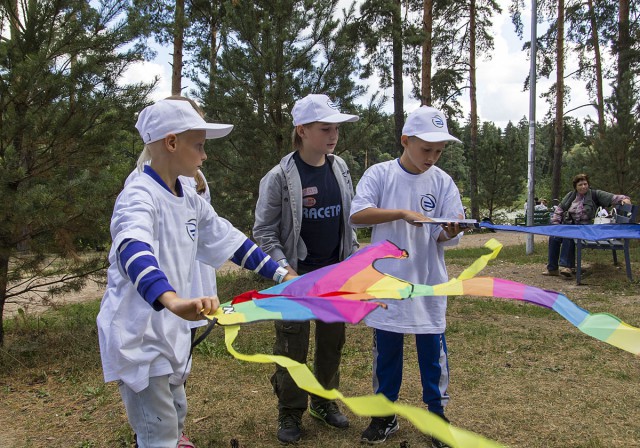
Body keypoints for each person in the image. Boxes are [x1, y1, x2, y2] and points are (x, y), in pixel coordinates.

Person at [97, 99, 292, 448]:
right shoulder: (138, 195)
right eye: (199, 146)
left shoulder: (188, 194)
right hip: (140, 337)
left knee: (175, 412)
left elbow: (228, 238)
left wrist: (280, 275)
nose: (204, 156)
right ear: (171, 143)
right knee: (159, 432)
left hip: (172, 332)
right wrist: (170, 300)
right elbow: (132, 249)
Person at [349, 105, 464, 448]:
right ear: (405, 141)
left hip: (428, 283)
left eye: (439, 151)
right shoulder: (380, 174)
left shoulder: (443, 182)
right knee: (387, 353)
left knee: (432, 353)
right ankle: (385, 416)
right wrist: (401, 213)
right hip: (387, 284)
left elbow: (445, 237)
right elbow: (358, 214)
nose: (432, 157)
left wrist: (449, 230)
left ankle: (436, 416)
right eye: (426, 149)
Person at [253, 93, 359, 444]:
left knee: (332, 343)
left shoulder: (339, 168)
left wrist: (353, 263)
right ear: (301, 130)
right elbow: (264, 232)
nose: (333, 136)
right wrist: (284, 270)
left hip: (334, 277)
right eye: (325, 128)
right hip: (296, 278)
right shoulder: (279, 177)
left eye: (336, 129)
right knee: (291, 347)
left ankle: (324, 403)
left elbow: (348, 223)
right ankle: (290, 411)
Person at [543, 173, 631, 278]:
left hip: (586, 228)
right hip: (570, 225)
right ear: (576, 187)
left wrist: (624, 199)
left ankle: (567, 267)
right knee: (554, 237)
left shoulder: (595, 194)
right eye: (580, 185)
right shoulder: (571, 196)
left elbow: (613, 198)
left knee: (569, 234)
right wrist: (555, 225)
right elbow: (559, 210)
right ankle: (552, 269)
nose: (583, 186)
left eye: (585, 184)